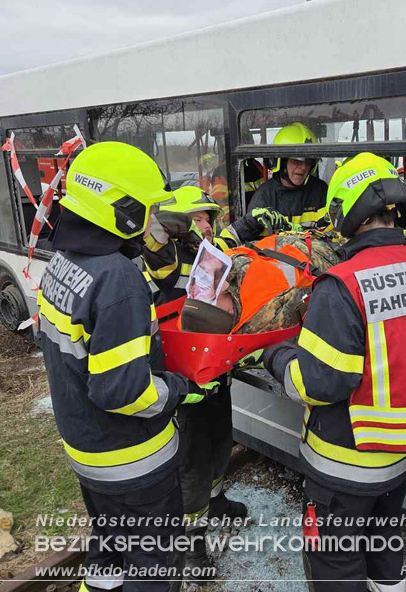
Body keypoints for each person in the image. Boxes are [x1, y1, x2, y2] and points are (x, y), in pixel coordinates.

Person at [262, 153, 406, 592]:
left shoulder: (340, 284)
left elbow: (320, 383)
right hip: (404, 455)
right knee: (384, 550)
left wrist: (275, 357)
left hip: (345, 464)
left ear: (345, 213)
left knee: (335, 566)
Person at [37, 142, 213, 592]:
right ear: (124, 208)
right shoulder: (117, 279)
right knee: (153, 569)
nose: (152, 218)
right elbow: (123, 392)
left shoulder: (64, 259)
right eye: (147, 208)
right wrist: (178, 388)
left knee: (110, 550)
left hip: (87, 451)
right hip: (133, 463)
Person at [141, 185, 248, 576]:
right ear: (182, 222)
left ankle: (216, 500)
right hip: (184, 383)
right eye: (200, 218)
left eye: (209, 217)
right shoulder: (165, 257)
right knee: (193, 467)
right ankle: (192, 546)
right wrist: (164, 230)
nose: (208, 225)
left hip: (215, 375)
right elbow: (156, 253)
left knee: (222, 445)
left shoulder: (209, 255)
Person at [245, 122, 328, 227]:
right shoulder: (264, 198)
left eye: (308, 161)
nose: (304, 167)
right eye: (297, 161)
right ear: (282, 162)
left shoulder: (320, 191)